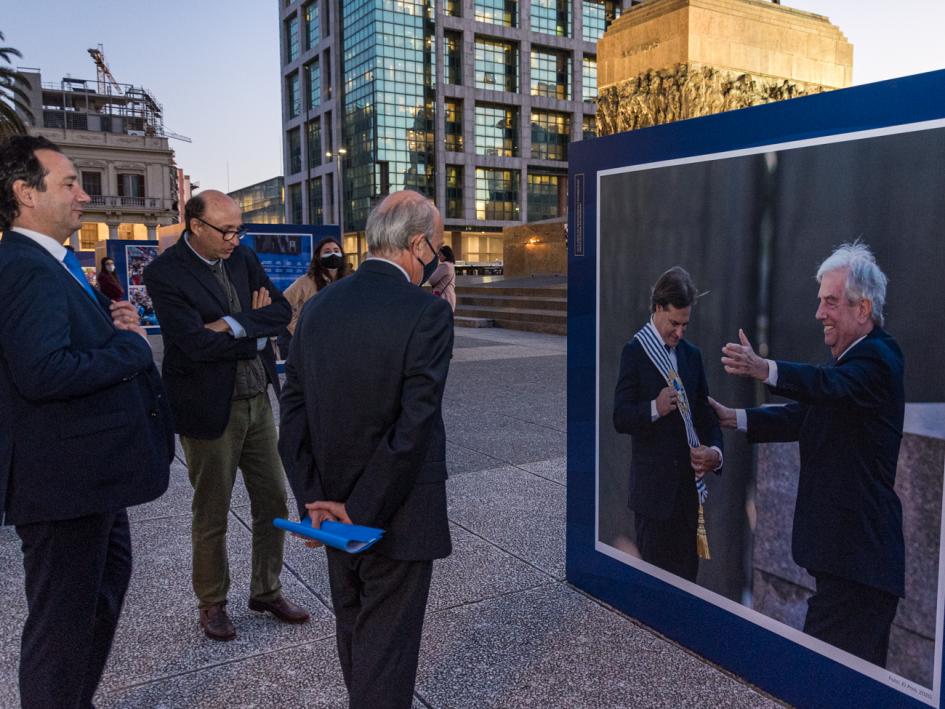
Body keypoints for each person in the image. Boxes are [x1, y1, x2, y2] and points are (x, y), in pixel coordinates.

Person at [0, 135, 173, 708]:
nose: (83, 194)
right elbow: (44, 371)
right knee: (62, 625)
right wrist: (130, 347)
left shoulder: (54, 263)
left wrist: (109, 319)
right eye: (69, 182)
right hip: (62, 484)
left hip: (88, 478)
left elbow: (62, 342)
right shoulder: (26, 267)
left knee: (98, 597)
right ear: (25, 193)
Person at [279, 190, 453, 709]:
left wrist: (316, 501)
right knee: (387, 651)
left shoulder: (317, 307)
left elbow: (292, 414)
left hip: (330, 508)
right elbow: (413, 426)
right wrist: (359, 511)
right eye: (439, 251)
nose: (439, 262)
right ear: (418, 244)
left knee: (356, 634)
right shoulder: (426, 312)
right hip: (394, 514)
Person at [709, 242, 904, 667]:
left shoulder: (877, 360)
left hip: (860, 568)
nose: (819, 314)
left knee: (825, 679)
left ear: (863, 309)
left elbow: (823, 388)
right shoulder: (853, 363)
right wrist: (734, 418)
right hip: (848, 566)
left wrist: (765, 369)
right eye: (820, 302)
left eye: (830, 302)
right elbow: (806, 415)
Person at [143, 190, 309, 642]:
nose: (235, 239)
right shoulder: (165, 273)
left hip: (257, 397)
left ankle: (266, 589)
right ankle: (212, 603)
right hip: (208, 406)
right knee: (212, 510)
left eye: (239, 229)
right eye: (227, 231)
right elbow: (193, 345)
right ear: (195, 226)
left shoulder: (244, 258)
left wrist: (232, 324)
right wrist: (250, 327)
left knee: (273, 499)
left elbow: (279, 311)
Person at [612, 266, 722, 582]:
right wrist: (655, 408)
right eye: (674, 323)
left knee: (687, 584)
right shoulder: (635, 352)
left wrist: (714, 451)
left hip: (688, 498)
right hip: (653, 498)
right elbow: (620, 417)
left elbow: (706, 418)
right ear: (658, 308)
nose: (679, 333)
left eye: (685, 325)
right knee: (654, 591)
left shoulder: (692, 356)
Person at [283, 235, 349, 336]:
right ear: (318, 256)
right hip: (311, 340)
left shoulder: (347, 281)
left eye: (336, 250)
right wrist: (299, 328)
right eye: (327, 252)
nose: (333, 254)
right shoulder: (305, 282)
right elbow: (283, 304)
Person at [429, 243, 456, 312]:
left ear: (445, 255)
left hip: (443, 296)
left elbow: (432, 280)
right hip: (449, 295)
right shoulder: (450, 265)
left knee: (440, 319)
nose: (439, 256)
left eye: (440, 254)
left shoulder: (444, 265)